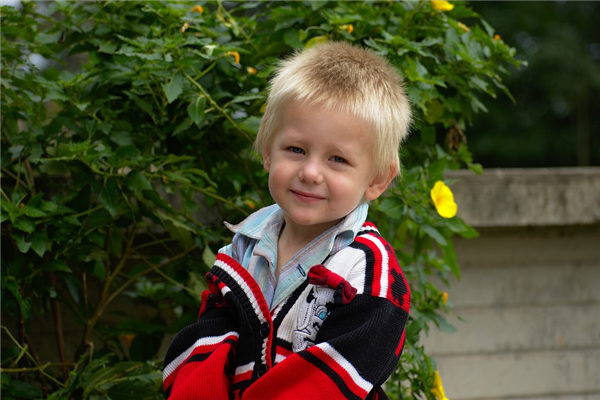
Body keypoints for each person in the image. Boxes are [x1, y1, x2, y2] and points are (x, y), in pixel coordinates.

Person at [163, 41, 412, 400]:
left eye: (338, 159)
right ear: (267, 150)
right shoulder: (242, 248)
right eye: (296, 150)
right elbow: (208, 345)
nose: (310, 173)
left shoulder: (367, 272)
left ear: (376, 179)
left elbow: (332, 383)